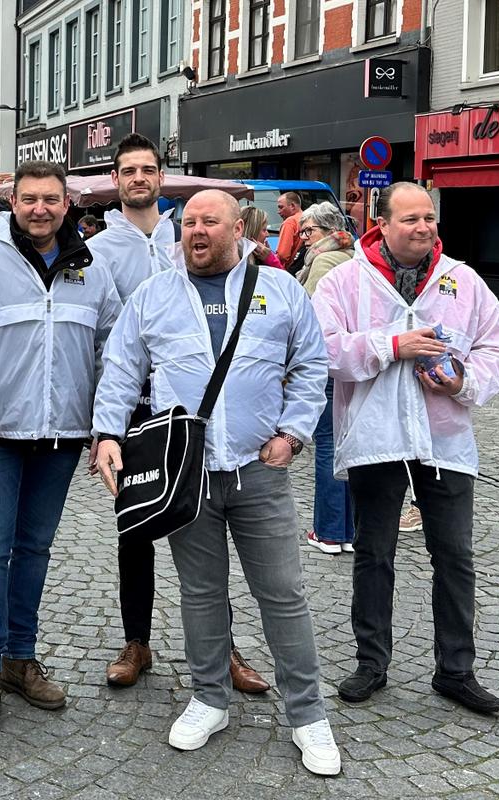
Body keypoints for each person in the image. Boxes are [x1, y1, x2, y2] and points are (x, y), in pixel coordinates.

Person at [91, 190, 340, 776]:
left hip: (260, 468)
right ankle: (209, 698)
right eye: (190, 223)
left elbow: (310, 364)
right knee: (201, 593)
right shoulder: (154, 296)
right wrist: (107, 433)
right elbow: (121, 368)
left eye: (210, 221)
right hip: (188, 473)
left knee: (282, 593)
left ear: (238, 229)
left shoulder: (278, 290)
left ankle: (308, 715)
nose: (197, 231)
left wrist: (294, 432)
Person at [312, 182, 499, 716]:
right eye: (411, 219)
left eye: (430, 217)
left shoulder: (462, 281)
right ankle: (371, 663)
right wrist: (390, 345)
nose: (424, 227)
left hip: (443, 439)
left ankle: (456, 670)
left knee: (454, 555)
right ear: (382, 224)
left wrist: (463, 380)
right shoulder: (344, 281)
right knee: (374, 552)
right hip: (375, 437)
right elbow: (323, 348)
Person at [87, 133, 270, 693]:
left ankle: (226, 648)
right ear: (115, 181)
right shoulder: (96, 249)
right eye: (128, 170)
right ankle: (136, 641)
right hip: (136, 410)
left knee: (207, 527)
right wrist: (103, 428)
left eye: (148, 169)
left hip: (194, 406)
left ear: (160, 177)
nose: (138, 178)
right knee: (136, 530)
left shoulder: (187, 228)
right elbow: (98, 336)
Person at [0, 160, 122, 734]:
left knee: (36, 550)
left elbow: (112, 350)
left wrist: (103, 427)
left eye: (50, 199)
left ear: (66, 205)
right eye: (29, 199)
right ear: (12, 203)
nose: (40, 209)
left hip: (61, 436)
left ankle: (21, 658)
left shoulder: (90, 268)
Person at [298, 202, 357, 555]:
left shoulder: (324, 261)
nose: (304, 238)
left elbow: (310, 315)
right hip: (351, 362)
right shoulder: (352, 256)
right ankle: (347, 531)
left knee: (327, 447)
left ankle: (329, 531)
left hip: (326, 361)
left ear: (326, 231)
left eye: (309, 231)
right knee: (344, 446)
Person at [274, 191, 302, 269]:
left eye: (281, 207)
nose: (278, 212)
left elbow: (282, 255)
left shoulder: (290, 222)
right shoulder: (308, 218)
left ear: (292, 206)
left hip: (291, 270)